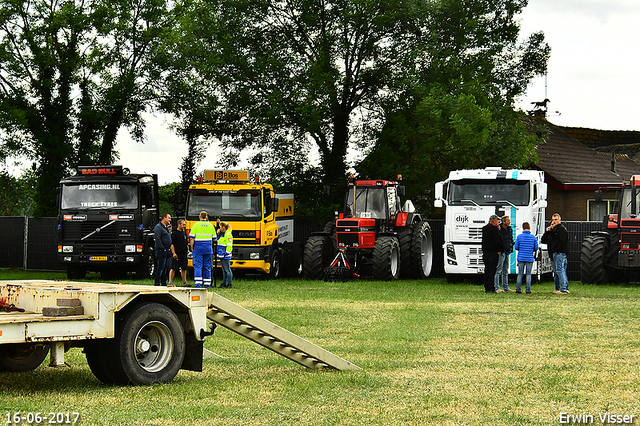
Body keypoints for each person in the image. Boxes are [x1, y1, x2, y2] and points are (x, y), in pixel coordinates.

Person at [541, 213, 569, 294]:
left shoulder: (562, 229)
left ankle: (563, 288)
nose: (554, 221)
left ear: (559, 220)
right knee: (556, 271)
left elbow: (562, 241)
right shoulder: (552, 231)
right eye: (552, 220)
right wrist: (547, 232)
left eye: (556, 219)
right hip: (552, 253)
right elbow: (544, 240)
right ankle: (557, 288)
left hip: (560, 253)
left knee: (560, 270)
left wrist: (557, 250)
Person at [189, 211, 216, 288]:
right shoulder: (211, 226)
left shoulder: (196, 225)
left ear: (199, 217)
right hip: (208, 248)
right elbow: (214, 239)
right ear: (206, 217)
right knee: (207, 266)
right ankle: (207, 284)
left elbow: (191, 238)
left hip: (198, 248)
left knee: (198, 265)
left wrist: (192, 247)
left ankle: (198, 283)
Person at [514, 222, 539, 294]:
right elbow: (536, 247)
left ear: (523, 228)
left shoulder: (519, 237)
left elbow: (516, 247)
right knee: (528, 274)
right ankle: (528, 290)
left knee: (520, 274)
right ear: (529, 228)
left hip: (521, 257)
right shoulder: (533, 237)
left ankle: (518, 289)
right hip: (529, 258)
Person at [482, 214, 504, 293]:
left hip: (486, 252)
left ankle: (487, 286)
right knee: (492, 271)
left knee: (487, 270)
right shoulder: (494, 230)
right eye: (497, 220)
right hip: (493, 253)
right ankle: (491, 287)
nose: (498, 222)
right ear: (494, 220)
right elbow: (497, 241)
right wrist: (499, 250)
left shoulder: (485, 229)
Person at [495, 215, 514, 293]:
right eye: (508, 220)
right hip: (501, 252)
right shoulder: (499, 229)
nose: (509, 222)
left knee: (505, 270)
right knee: (498, 270)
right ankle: (497, 287)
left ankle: (506, 288)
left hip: (507, 251)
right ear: (504, 222)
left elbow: (510, 238)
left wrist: (511, 246)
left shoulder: (509, 229)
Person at [154, 213, 172, 286]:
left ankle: (163, 282)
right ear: (164, 218)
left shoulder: (166, 227)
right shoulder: (158, 227)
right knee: (161, 267)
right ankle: (157, 282)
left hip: (167, 250)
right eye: (169, 218)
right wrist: (163, 249)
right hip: (161, 250)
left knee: (165, 267)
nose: (170, 219)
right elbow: (158, 239)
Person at [169, 219, 189, 287]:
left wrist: (187, 248)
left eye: (185, 224)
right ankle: (170, 282)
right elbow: (172, 245)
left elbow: (185, 242)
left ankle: (184, 282)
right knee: (173, 268)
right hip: (177, 254)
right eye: (183, 224)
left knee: (184, 268)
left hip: (184, 254)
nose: (184, 226)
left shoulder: (184, 233)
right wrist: (174, 253)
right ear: (179, 224)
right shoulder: (174, 233)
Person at [217, 221, 233, 288]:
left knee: (227, 270)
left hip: (225, 255)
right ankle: (224, 283)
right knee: (224, 270)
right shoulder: (223, 234)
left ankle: (229, 283)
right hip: (222, 254)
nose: (219, 228)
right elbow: (218, 239)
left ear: (223, 227)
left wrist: (226, 253)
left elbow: (229, 245)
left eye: (220, 227)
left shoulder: (228, 234)